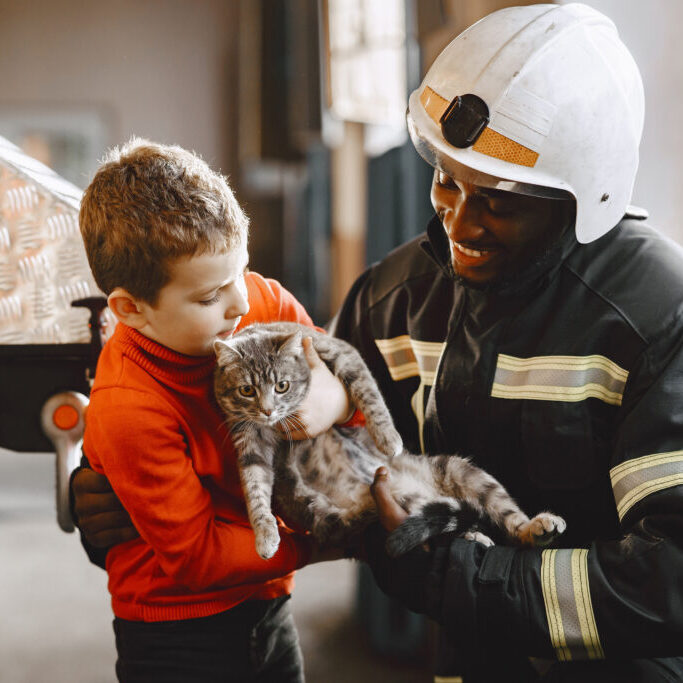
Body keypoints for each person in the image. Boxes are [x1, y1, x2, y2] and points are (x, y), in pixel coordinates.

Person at [73, 3, 683, 681]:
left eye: (499, 199)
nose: (457, 218)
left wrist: (463, 574)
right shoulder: (391, 299)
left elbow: (671, 577)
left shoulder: (658, 315)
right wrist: (110, 493)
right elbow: (310, 468)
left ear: (584, 195)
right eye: (447, 179)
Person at [73, 138, 354, 683]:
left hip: (268, 599)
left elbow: (342, 374)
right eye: (209, 297)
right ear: (131, 310)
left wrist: (334, 401)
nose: (241, 305)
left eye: (242, 271)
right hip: (176, 632)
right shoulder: (128, 406)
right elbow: (199, 557)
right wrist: (326, 540)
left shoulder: (258, 304)